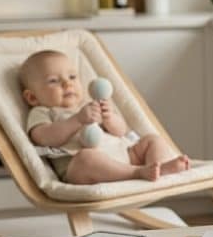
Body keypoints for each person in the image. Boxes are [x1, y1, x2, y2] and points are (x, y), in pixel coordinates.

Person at [19, 50, 189, 184]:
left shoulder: (89, 103)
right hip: (83, 167)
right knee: (87, 158)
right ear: (32, 97)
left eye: (72, 77)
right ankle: (138, 173)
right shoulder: (43, 111)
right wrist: (77, 120)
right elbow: (44, 138)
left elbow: (120, 131)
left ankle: (158, 167)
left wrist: (109, 118)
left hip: (124, 156)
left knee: (153, 139)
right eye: (53, 81)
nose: (67, 83)